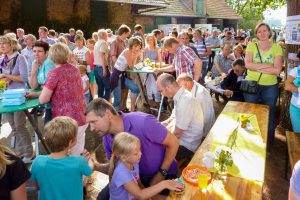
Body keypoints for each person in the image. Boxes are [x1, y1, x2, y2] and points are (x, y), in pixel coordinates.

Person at [85, 98, 179, 199]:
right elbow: (116, 167)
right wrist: (96, 167)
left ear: (108, 114)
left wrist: (162, 173)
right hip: (133, 177)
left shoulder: (143, 122)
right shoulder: (106, 138)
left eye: (94, 122)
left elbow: (174, 142)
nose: (91, 128)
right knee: (102, 198)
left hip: (162, 171)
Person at [39, 43, 87, 156]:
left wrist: (41, 93)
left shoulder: (54, 73)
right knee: (79, 150)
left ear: (51, 56)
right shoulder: (75, 69)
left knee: (67, 154)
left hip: (67, 120)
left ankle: (72, 173)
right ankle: (80, 173)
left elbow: (43, 99)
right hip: (82, 115)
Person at [30, 116, 93, 200]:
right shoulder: (79, 162)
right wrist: (89, 161)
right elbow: (89, 171)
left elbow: (38, 186)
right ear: (71, 142)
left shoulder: (37, 162)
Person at [109, 132, 184, 200]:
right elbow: (140, 195)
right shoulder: (122, 173)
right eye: (136, 153)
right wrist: (164, 184)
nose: (140, 154)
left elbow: (139, 183)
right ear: (123, 158)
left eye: (139, 150)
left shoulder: (134, 162)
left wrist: (149, 196)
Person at [244, 22, 283, 151]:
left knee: (270, 115)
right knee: (250, 113)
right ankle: (250, 142)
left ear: (269, 32)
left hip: (270, 86)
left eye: (264, 30)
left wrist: (257, 65)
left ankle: (267, 145)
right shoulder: (251, 46)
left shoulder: (277, 48)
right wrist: (268, 67)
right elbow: (248, 65)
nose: (262, 33)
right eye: (259, 31)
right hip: (251, 84)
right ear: (256, 34)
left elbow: (277, 70)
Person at [0, 35, 33, 161]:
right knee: (13, 127)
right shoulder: (2, 59)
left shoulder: (20, 58)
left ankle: (29, 153)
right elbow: (3, 77)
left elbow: (24, 78)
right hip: (5, 96)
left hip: (18, 97)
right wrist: (4, 78)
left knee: (20, 125)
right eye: (1, 43)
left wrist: (6, 76)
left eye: (4, 43)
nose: (2, 46)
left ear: (12, 44)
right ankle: (19, 152)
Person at [157, 73, 204, 160]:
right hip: (184, 139)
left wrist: (158, 138)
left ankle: (164, 171)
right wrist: (158, 126)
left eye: (161, 91)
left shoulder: (185, 100)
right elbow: (173, 118)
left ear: (168, 87)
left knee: (154, 152)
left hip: (187, 145)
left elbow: (177, 133)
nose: (161, 94)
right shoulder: (180, 95)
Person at [27, 41, 55, 124]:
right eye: (34, 51)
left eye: (39, 51)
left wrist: (35, 94)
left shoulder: (49, 63)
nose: (36, 54)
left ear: (46, 53)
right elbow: (34, 87)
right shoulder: (35, 62)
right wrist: (33, 71)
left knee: (49, 127)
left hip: (56, 102)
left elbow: (51, 88)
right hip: (47, 101)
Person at [110, 37, 141, 112]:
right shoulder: (127, 51)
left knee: (135, 88)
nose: (137, 48)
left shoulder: (130, 52)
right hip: (116, 76)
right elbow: (131, 67)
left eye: (138, 46)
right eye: (135, 46)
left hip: (122, 75)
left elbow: (131, 66)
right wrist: (136, 56)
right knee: (117, 99)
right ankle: (114, 115)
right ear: (131, 46)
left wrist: (136, 55)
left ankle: (132, 109)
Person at [143, 33, 162, 108]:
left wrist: (153, 62)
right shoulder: (145, 49)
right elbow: (143, 61)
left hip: (155, 70)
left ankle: (158, 103)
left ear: (154, 40)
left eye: (151, 39)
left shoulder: (157, 49)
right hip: (147, 70)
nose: (149, 41)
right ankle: (150, 102)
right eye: (148, 40)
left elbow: (160, 61)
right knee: (148, 86)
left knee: (155, 86)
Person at [285, 49, 300, 132]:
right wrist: (298, 89)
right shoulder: (296, 70)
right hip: (296, 108)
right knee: (297, 134)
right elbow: (287, 86)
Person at [94, 29, 110, 101]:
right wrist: (104, 69)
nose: (107, 36)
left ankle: (99, 104)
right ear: (103, 35)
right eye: (106, 34)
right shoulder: (103, 42)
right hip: (101, 67)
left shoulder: (97, 42)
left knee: (100, 87)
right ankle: (105, 104)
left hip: (96, 68)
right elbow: (102, 55)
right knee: (108, 87)